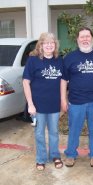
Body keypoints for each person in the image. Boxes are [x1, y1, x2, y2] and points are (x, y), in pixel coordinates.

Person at [61, 27, 93, 167]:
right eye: (82, 37)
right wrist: (63, 99)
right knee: (74, 130)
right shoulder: (69, 58)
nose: (85, 39)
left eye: (87, 36)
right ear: (77, 39)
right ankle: (71, 154)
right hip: (76, 101)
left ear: (92, 38)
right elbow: (63, 80)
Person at [23, 32, 63, 171]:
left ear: (55, 45)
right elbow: (26, 82)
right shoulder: (33, 61)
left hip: (54, 104)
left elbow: (65, 82)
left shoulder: (59, 61)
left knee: (54, 132)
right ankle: (41, 158)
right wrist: (30, 104)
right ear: (41, 45)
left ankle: (55, 155)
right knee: (39, 133)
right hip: (37, 105)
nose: (49, 45)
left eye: (52, 42)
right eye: (46, 43)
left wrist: (65, 100)